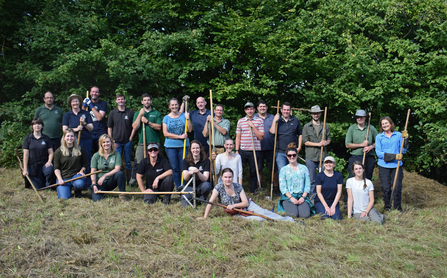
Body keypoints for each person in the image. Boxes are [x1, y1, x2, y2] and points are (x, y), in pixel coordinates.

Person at [197, 168, 294, 222]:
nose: (228, 179)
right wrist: (205, 217)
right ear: (222, 178)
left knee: (263, 212)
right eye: (225, 177)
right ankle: (270, 221)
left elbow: (245, 203)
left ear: (232, 177)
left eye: (230, 177)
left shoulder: (238, 186)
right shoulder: (218, 187)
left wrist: (234, 205)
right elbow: (210, 202)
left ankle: (286, 220)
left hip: (247, 205)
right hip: (236, 213)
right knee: (258, 219)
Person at [375, 116, 408, 211]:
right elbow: (379, 153)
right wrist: (394, 156)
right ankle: (387, 207)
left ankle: (397, 207)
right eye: (383, 124)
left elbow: (404, 150)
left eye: (386, 123)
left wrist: (405, 139)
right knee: (386, 188)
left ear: (391, 124)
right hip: (383, 165)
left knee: (397, 187)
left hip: (396, 165)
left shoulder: (398, 135)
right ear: (381, 126)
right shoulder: (379, 137)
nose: (385, 125)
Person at [129, 93, 162, 186]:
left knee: (156, 163)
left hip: (154, 142)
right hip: (142, 143)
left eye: (148, 100)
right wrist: (140, 115)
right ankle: (133, 183)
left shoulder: (156, 113)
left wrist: (147, 122)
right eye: (145, 100)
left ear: (151, 101)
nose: (147, 102)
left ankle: (157, 181)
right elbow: (135, 127)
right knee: (137, 163)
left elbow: (159, 127)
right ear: (142, 102)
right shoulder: (137, 113)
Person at [277, 143, 315, 218]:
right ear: (287, 157)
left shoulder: (304, 168)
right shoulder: (283, 170)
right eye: (289, 155)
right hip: (288, 197)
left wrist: (303, 197)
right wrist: (291, 198)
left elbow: (307, 185)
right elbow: (283, 187)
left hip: (302, 196)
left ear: (297, 155)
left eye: (294, 155)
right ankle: (288, 206)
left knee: (305, 215)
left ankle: (301, 207)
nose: (292, 157)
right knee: (293, 215)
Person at [302, 105, 331, 200]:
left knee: (324, 178)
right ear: (311, 114)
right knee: (312, 179)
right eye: (314, 113)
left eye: (317, 113)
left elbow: (329, 138)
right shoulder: (307, 126)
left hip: (322, 157)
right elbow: (305, 141)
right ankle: (313, 198)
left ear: (321, 113)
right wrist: (318, 144)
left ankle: (323, 197)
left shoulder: (325, 125)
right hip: (311, 156)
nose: (316, 115)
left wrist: (326, 142)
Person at [235, 102, 264, 194]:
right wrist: (236, 150)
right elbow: (238, 137)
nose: (249, 111)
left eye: (251, 109)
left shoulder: (259, 121)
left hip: (255, 150)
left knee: (254, 172)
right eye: (247, 109)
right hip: (243, 150)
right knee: (239, 171)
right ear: (245, 110)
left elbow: (261, 136)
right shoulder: (240, 121)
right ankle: (238, 189)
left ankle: (253, 191)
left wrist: (253, 126)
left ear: (254, 110)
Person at [62, 94, 94, 178]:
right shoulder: (67, 115)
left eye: (76, 101)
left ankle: (86, 180)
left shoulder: (86, 113)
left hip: (86, 140)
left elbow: (91, 128)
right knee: (73, 159)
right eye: (73, 101)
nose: (75, 103)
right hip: (72, 141)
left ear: (79, 102)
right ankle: (74, 178)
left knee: (86, 159)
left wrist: (84, 123)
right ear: (70, 103)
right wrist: (76, 129)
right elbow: (65, 130)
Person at [163, 98, 192, 188]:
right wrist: (179, 136)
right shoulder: (166, 118)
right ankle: (178, 186)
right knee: (175, 168)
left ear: (179, 105)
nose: (174, 106)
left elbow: (190, 129)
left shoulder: (184, 115)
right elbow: (165, 133)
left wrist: (188, 119)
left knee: (183, 167)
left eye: (176, 104)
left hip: (183, 146)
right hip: (170, 146)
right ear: (169, 106)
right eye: (172, 105)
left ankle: (185, 186)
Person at [108, 94, 136, 184]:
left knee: (128, 162)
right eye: (118, 99)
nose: (120, 101)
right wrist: (111, 140)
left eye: (122, 99)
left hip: (127, 142)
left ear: (125, 100)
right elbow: (109, 127)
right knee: (117, 164)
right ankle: (119, 182)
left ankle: (130, 182)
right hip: (116, 143)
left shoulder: (130, 112)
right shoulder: (112, 113)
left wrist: (131, 138)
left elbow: (134, 127)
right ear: (116, 101)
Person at [91, 134, 127, 202]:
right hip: (100, 182)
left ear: (111, 143)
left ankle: (122, 194)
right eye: (104, 142)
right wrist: (94, 184)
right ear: (101, 144)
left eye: (108, 142)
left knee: (120, 173)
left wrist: (105, 175)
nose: (106, 144)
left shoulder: (116, 154)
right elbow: (93, 172)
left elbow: (117, 169)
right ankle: (102, 192)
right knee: (96, 200)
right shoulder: (96, 156)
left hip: (111, 181)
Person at [53, 129, 88, 199]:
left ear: (74, 137)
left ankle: (78, 191)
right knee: (64, 198)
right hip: (64, 178)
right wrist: (60, 179)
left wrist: (81, 171)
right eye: (68, 136)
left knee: (79, 184)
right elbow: (56, 168)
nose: (70, 138)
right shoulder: (58, 151)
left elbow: (85, 164)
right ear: (64, 138)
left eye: (72, 136)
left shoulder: (80, 149)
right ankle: (66, 189)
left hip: (76, 176)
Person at [22, 118, 55, 189]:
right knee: (38, 187)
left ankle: (48, 184)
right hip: (32, 165)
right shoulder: (28, 138)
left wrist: (49, 161)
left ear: (42, 126)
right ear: (32, 126)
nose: (37, 126)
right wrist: (25, 169)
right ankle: (40, 183)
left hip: (44, 163)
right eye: (35, 124)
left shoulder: (46, 138)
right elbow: (26, 155)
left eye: (39, 124)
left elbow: (51, 152)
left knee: (49, 170)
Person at [270, 102, 303, 172]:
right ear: (281, 110)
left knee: (293, 172)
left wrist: (299, 147)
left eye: (288, 110)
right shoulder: (277, 120)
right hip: (280, 152)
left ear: (290, 111)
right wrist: (274, 121)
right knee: (283, 172)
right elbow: (272, 134)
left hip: (293, 152)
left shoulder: (295, 120)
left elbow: (300, 134)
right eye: (284, 110)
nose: (286, 111)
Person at [345, 109, 378, 180]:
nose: (359, 119)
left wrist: (371, 146)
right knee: (353, 178)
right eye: (357, 117)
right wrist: (361, 144)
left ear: (365, 117)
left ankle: (365, 191)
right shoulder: (352, 128)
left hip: (369, 158)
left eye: (361, 117)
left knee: (367, 178)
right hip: (355, 158)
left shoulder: (371, 128)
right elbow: (348, 145)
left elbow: (378, 141)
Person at [181, 140, 212, 207]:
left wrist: (198, 172)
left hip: (201, 186)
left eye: (197, 148)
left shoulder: (206, 161)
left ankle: (203, 197)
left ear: (200, 149)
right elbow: (185, 178)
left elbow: (205, 179)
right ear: (190, 150)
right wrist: (189, 173)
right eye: (193, 148)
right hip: (189, 186)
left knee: (207, 185)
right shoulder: (185, 161)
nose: (195, 150)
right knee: (185, 206)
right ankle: (193, 199)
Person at [82, 86, 107, 154]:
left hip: (100, 133)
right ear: (90, 93)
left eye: (96, 92)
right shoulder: (86, 104)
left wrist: (91, 105)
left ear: (99, 94)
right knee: (87, 154)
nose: (94, 93)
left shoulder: (103, 103)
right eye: (93, 91)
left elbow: (99, 118)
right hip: (89, 133)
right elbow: (81, 116)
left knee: (100, 154)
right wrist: (83, 106)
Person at [255, 100, 275, 185]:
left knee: (273, 169)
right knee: (259, 168)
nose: (262, 108)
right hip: (258, 147)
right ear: (257, 108)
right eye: (261, 107)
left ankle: (275, 187)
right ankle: (259, 187)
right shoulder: (254, 117)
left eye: (264, 106)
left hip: (271, 147)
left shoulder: (272, 117)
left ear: (267, 107)